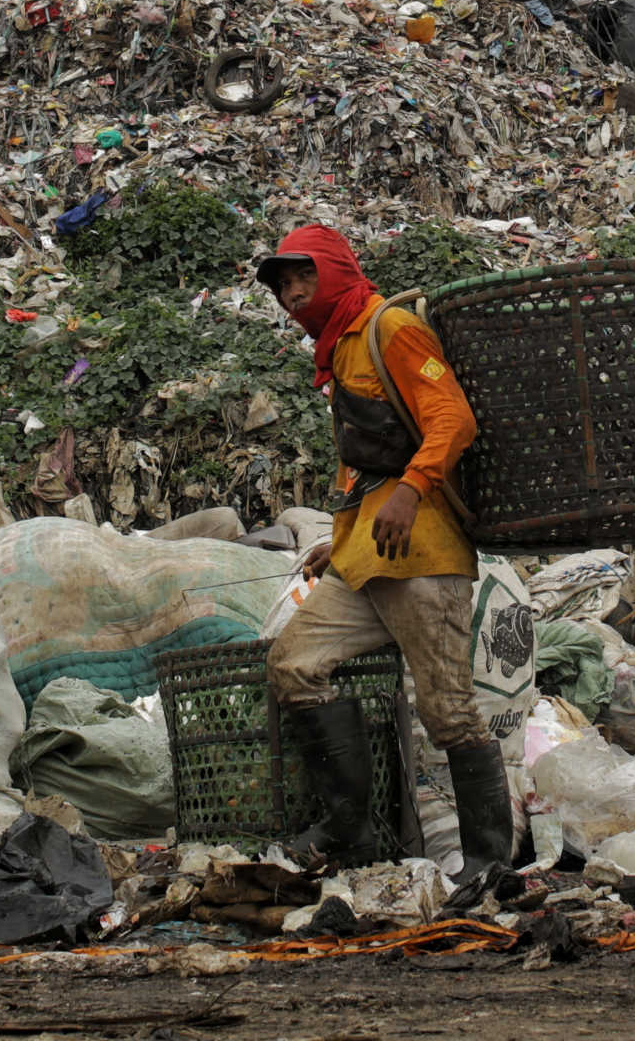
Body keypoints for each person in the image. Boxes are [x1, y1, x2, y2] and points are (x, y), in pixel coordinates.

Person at [254, 225, 512, 877]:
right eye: (282, 285)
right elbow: (361, 475)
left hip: (422, 553)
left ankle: (488, 864)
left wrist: (412, 488)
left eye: (300, 276)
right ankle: (350, 832)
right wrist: (333, 547)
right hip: (367, 558)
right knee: (293, 665)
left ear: (336, 270)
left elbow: (452, 418)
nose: (290, 293)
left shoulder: (390, 328)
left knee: (448, 711)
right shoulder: (340, 352)